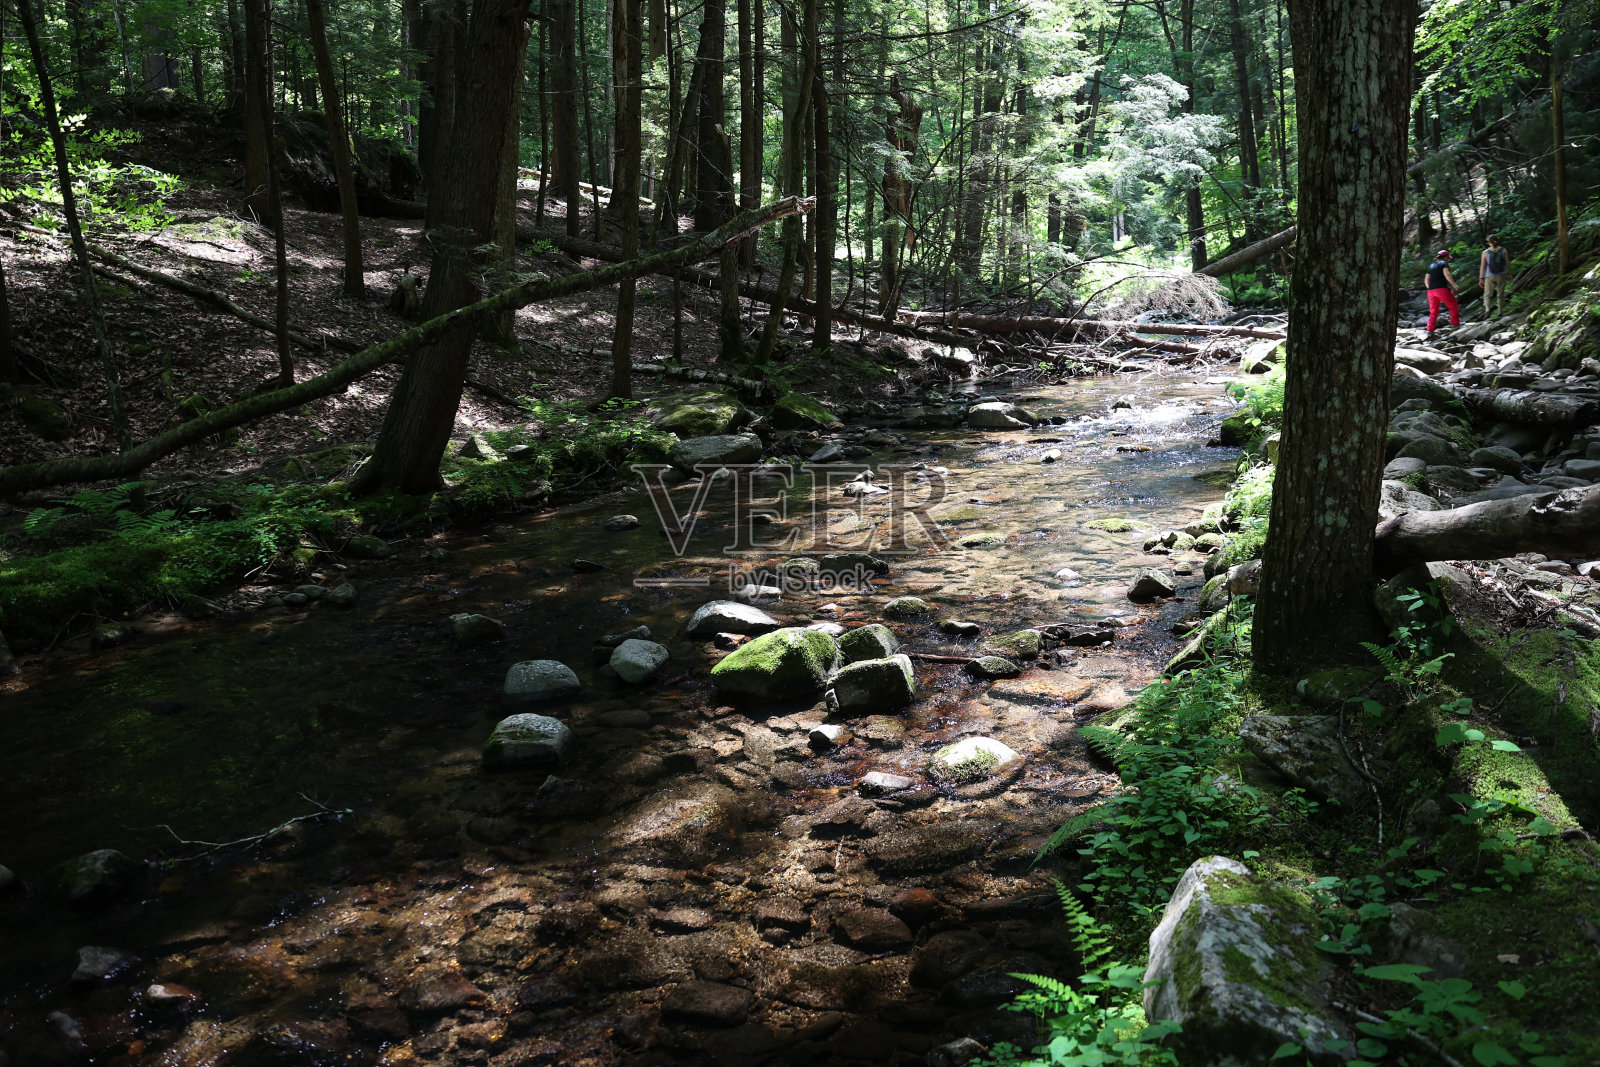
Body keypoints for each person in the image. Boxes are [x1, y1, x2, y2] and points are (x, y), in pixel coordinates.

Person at [1424, 249, 1461, 339]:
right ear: (1444, 257)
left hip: (1431, 291)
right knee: (1453, 305)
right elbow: (1447, 274)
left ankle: (1430, 330)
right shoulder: (1444, 263)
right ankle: (1455, 324)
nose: (1448, 259)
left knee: (1433, 311)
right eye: (1448, 257)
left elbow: (1426, 280)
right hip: (1442, 289)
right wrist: (1454, 285)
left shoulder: (1431, 265)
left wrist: (1430, 288)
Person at [1479, 234, 1512, 317]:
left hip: (1489, 275)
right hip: (1501, 275)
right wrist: (1510, 274)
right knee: (1500, 293)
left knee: (1487, 294)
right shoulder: (1504, 250)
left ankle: (1487, 309)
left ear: (1489, 243)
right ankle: (1500, 311)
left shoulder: (1485, 252)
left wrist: (1481, 278)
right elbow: (1507, 262)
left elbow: (1483, 266)